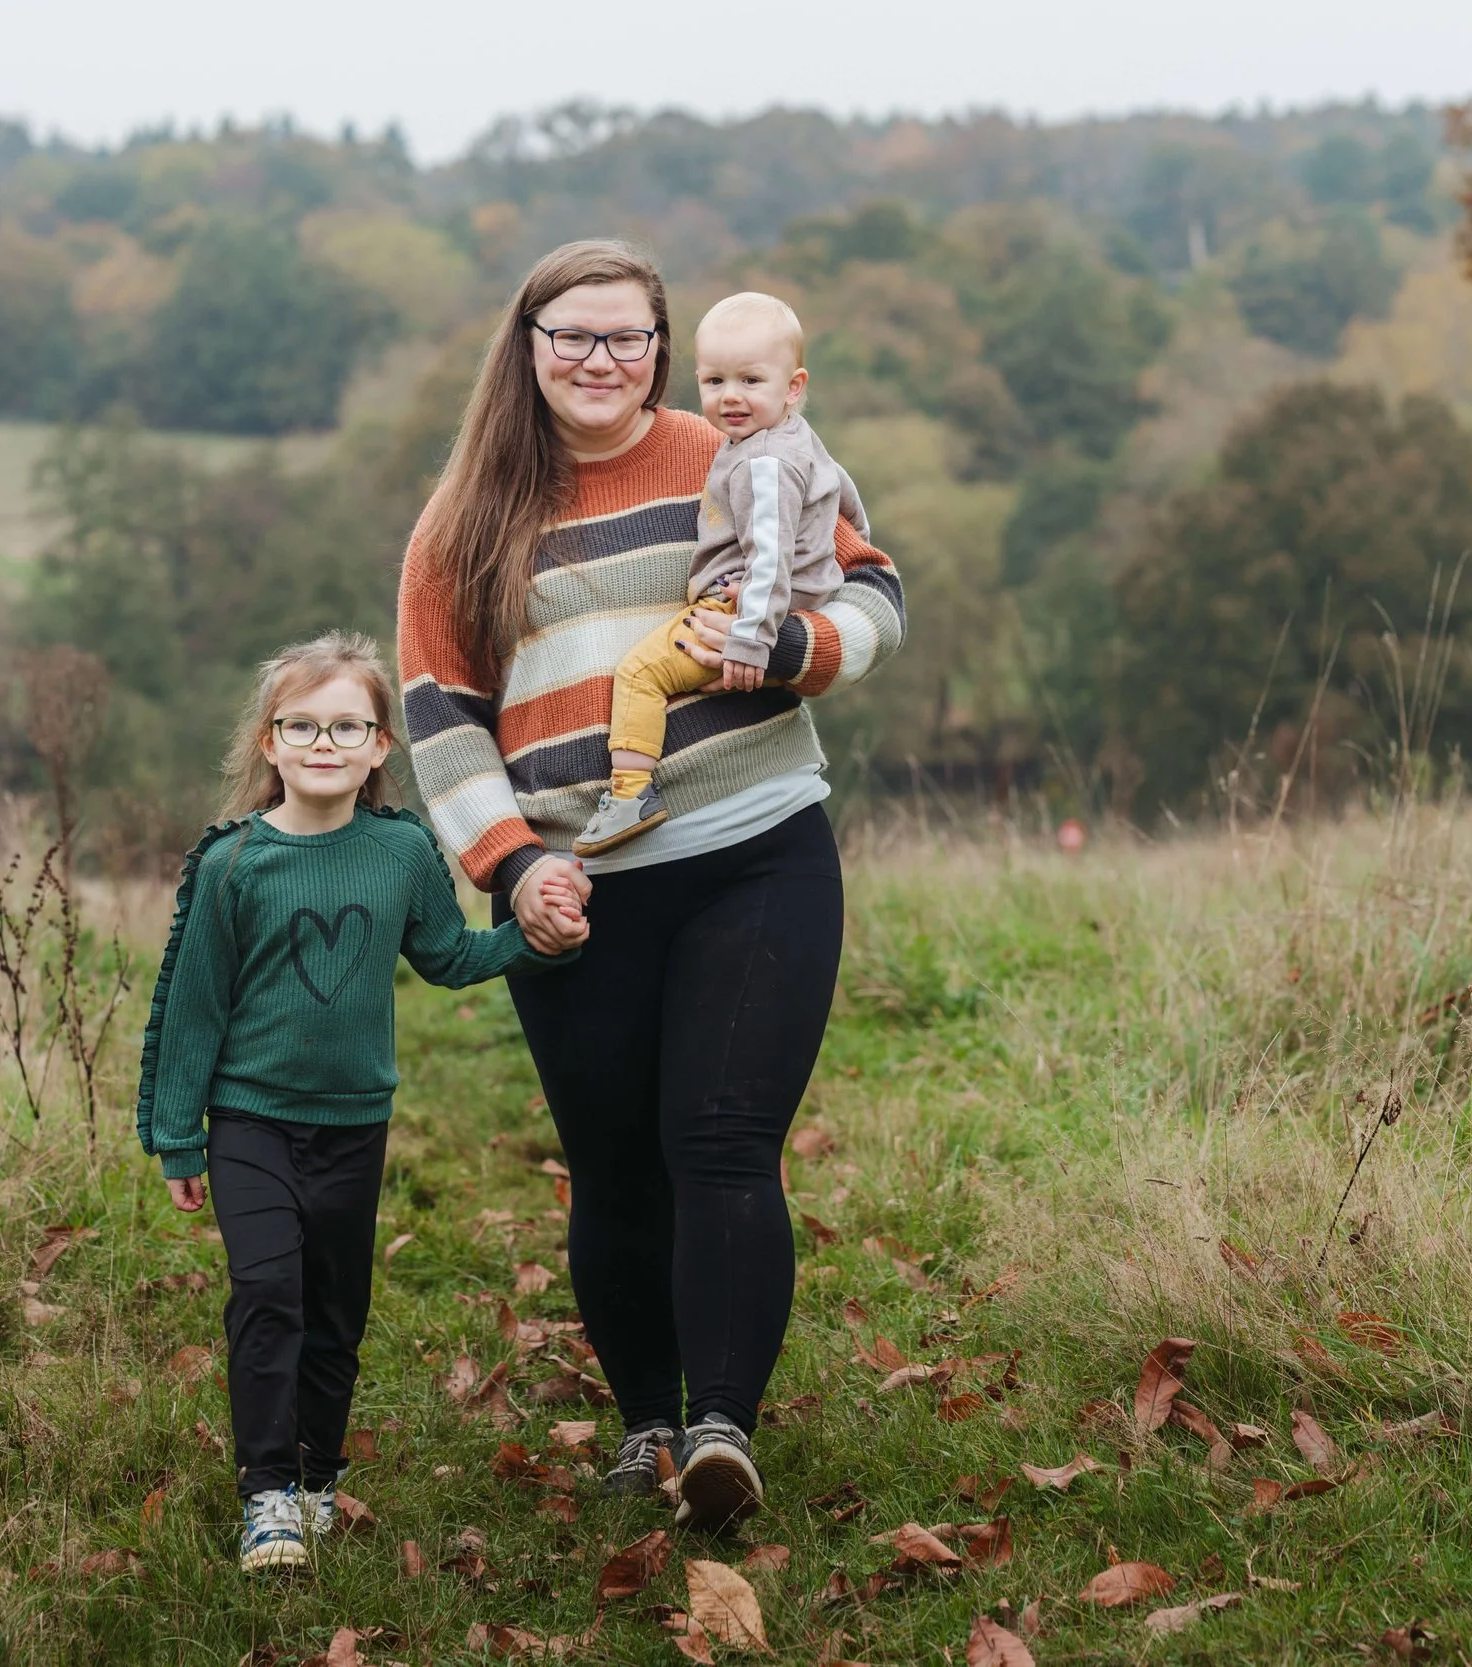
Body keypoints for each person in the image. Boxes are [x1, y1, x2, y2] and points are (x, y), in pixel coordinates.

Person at [397, 241, 907, 1531]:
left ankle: (725, 1426)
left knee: (722, 1138)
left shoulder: (735, 452)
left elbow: (873, 588)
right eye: (572, 336)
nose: (599, 361)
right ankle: (647, 1423)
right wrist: (510, 870)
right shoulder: (463, 519)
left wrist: (804, 644)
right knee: (615, 1167)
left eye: (627, 338)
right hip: (580, 892)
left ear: (662, 350)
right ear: (526, 348)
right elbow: (442, 718)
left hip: (756, 847)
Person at [134, 632, 578, 1574]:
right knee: (266, 1293)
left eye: (348, 725)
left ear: (381, 745)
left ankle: (316, 1474)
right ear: (270, 742)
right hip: (249, 1118)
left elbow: (449, 957)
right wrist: (178, 1136)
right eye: (302, 724)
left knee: (335, 1311)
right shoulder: (233, 864)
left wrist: (536, 939)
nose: (323, 742)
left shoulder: (403, 852)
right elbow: (192, 1004)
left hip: (353, 1125)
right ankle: (266, 1498)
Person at [575, 291, 867, 856]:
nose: (730, 397)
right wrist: (848, 549)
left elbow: (770, 557)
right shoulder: (791, 438)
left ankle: (630, 794)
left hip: (742, 609)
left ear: (794, 385)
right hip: (773, 600)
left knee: (639, 674)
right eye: (714, 382)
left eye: (751, 381)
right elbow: (844, 497)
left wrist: (751, 642)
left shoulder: (762, 463)